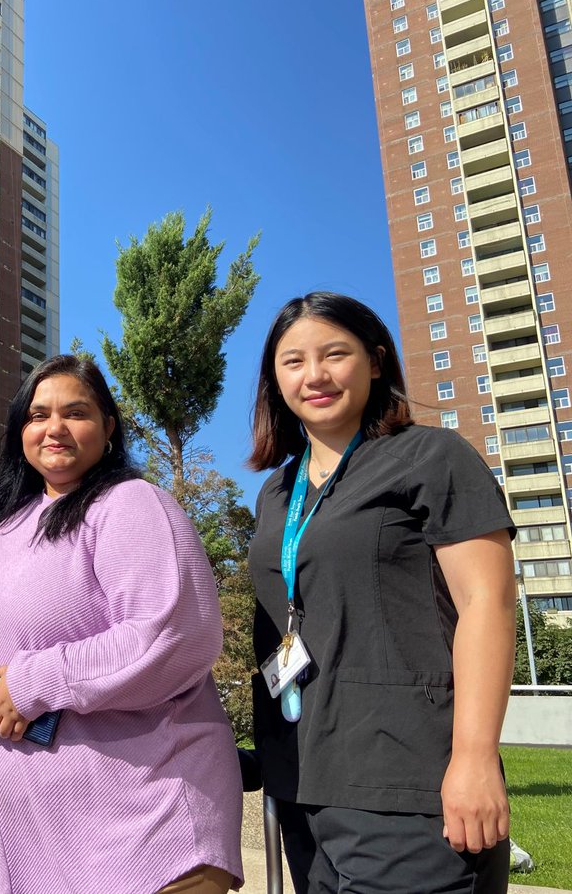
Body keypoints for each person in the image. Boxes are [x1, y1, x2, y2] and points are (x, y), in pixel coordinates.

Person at [247, 291, 515, 893]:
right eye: (292, 362)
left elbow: (487, 604)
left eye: (334, 354)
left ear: (375, 361)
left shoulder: (434, 457)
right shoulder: (277, 492)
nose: (314, 375)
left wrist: (474, 758)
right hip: (302, 783)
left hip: (409, 784)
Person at [0, 354, 244, 894]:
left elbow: (172, 632)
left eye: (76, 412)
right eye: (38, 415)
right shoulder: (9, 528)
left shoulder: (129, 504)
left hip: (142, 828)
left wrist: (34, 680)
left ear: (108, 429)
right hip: (41, 837)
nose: (54, 428)